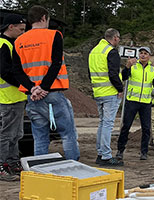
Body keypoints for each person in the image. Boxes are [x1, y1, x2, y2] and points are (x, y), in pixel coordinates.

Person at [12, 5, 80, 161]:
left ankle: (40, 170)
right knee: (68, 134)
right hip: (51, 93)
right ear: (43, 18)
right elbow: (55, 64)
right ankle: (74, 167)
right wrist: (43, 88)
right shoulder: (54, 36)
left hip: (32, 97)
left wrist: (33, 89)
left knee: (40, 136)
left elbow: (17, 71)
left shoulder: (19, 41)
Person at [116, 47, 154, 161]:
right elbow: (124, 77)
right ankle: (120, 151)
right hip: (132, 101)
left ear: (149, 56)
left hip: (145, 103)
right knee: (126, 127)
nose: (143, 55)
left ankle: (144, 152)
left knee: (146, 128)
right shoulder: (133, 66)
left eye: (145, 53)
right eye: (141, 53)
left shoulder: (152, 69)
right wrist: (127, 66)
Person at [88, 28, 124, 166]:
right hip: (110, 92)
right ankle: (106, 156)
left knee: (103, 123)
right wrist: (120, 88)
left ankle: (101, 153)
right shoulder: (111, 52)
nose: (118, 41)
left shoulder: (94, 51)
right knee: (108, 124)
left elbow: (89, 73)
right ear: (115, 38)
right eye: (118, 38)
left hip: (98, 92)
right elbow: (113, 73)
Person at [0, 14, 27, 181]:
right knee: (7, 134)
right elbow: (5, 72)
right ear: (11, 26)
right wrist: (23, 84)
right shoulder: (3, 45)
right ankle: (2, 165)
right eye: (21, 29)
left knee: (17, 134)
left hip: (16, 96)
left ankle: (12, 162)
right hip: (8, 97)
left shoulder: (11, 43)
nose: (23, 33)